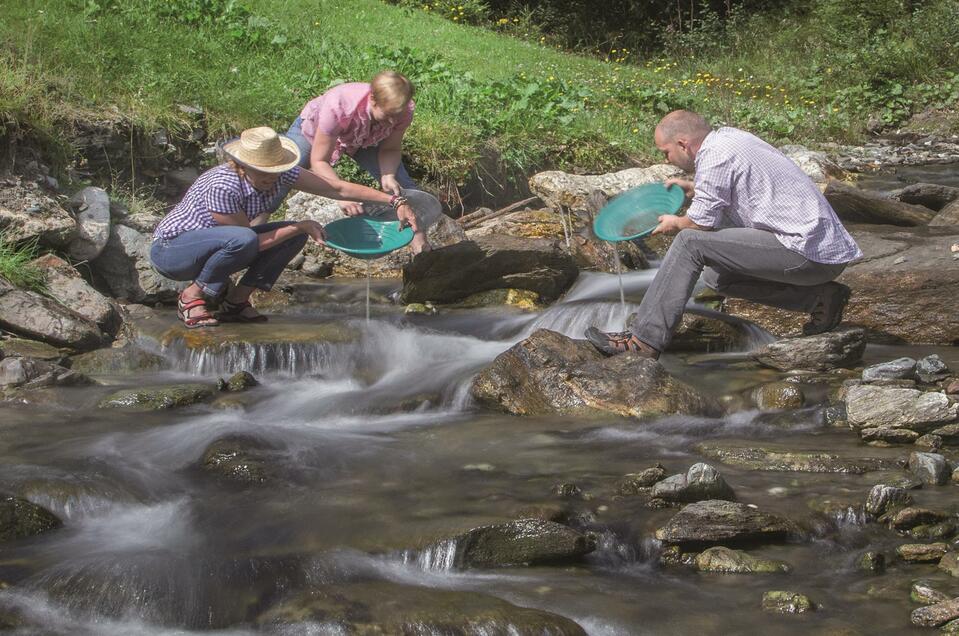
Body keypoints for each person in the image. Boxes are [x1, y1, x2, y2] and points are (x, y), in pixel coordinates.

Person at [586, 110, 863, 359]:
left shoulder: (715, 156)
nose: (665, 159)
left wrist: (676, 222)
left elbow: (700, 224)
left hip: (806, 252)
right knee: (717, 276)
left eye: (665, 152)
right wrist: (694, 189)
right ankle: (820, 298)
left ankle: (643, 340)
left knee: (688, 243)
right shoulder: (727, 140)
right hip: (819, 252)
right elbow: (730, 193)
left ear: (683, 144)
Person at [151, 126, 422, 329]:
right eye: (264, 170)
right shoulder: (223, 184)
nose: (273, 176)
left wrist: (395, 200)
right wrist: (299, 226)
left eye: (276, 169)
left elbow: (337, 188)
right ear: (243, 166)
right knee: (269, 235)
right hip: (173, 252)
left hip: (229, 242)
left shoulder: (284, 174)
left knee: (292, 237)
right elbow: (248, 242)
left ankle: (236, 302)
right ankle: (191, 296)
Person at [286, 70, 438, 253]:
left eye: (396, 116)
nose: (392, 122)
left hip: (367, 139)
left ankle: (421, 248)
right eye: (388, 115)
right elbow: (319, 161)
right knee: (282, 172)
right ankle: (254, 232)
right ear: (372, 99)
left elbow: (390, 149)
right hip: (315, 130)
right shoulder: (339, 105)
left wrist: (388, 174)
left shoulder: (401, 111)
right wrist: (342, 197)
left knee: (403, 187)